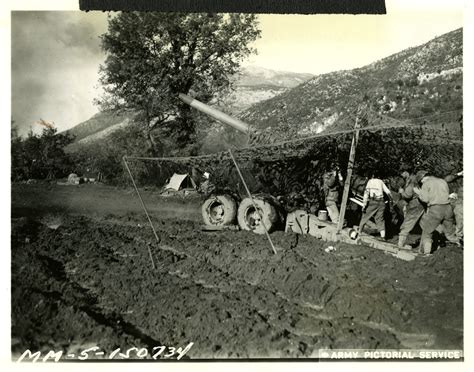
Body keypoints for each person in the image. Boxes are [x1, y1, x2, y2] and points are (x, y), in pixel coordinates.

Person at [413, 172, 459, 254]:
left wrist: (419, 193)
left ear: (423, 178)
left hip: (436, 209)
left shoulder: (426, 183)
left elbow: (425, 199)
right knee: (450, 234)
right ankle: (461, 248)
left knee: (427, 232)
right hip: (448, 209)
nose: (422, 183)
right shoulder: (442, 181)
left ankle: (425, 254)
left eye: (421, 181)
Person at [397, 170, 426, 248]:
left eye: (402, 172)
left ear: (407, 172)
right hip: (423, 204)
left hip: (415, 204)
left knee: (407, 224)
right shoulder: (418, 180)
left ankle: (400, 244)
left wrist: (402, 192)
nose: (401, 175)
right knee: (425, 225)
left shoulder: (412, 181)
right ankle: (426, 247)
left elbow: (408, 195)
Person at [358, 173, 392, 240]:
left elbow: (366, 193)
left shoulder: (370, 181)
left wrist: (364, 205)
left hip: (373, 201)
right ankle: (383, 237)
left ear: (372, 176)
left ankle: (359, 232)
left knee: (365, 216)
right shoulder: (381, 181)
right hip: (381, 202)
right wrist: (391, 201)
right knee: (380, 219)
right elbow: (388, 192)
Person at [444, 170, 463, 241]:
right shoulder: (460, 177)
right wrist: (459, 174)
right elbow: (446, 179)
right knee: (459, 218)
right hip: (458, 201)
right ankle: (459, 238)